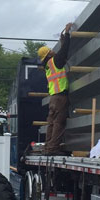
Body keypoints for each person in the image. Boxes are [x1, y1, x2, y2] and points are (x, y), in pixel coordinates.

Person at [37, 22, 74, 155]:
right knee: (59, 123)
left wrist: (63, 39)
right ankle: (53, 149)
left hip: (54, 98)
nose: (52, 50)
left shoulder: (48, 66)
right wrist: (67, 34)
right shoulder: (55, 62)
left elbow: (61, 53)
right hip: (60, 97)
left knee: (51, 123)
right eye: (50, 51)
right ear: (48, 54)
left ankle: (48, 147)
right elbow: (64, 52)